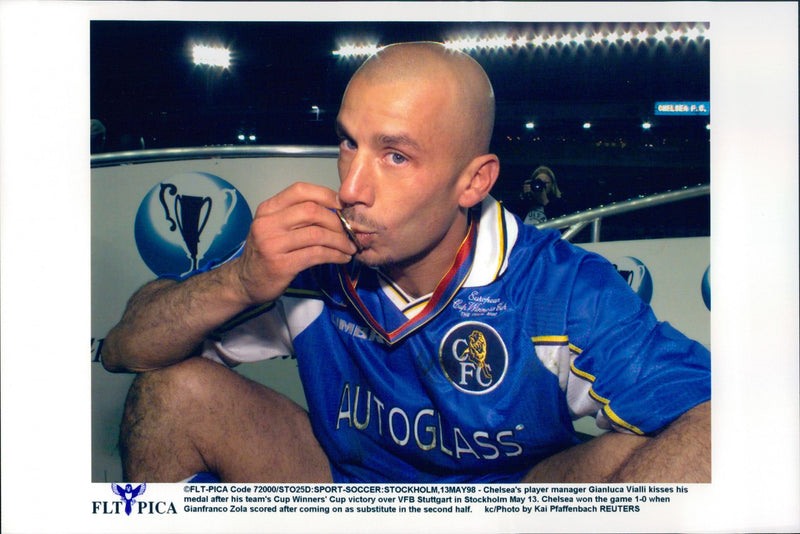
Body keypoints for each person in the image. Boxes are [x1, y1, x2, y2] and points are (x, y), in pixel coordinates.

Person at [103, 42, 710, 484]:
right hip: (346, 492)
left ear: (474, 182)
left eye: (395, 156)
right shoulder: (313, 255)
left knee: (635, 452)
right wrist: (238, 280)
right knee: (171, 392)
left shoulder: (561, 288)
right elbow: (123, 349)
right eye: (349, 143)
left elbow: (719, 418)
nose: (352, 188)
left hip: (508, 510)